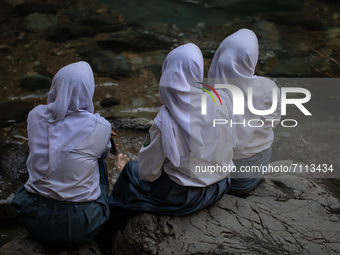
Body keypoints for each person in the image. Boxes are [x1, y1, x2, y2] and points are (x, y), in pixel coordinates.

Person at [99, 43, 234, 244]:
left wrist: (126, 168)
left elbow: (148, 172)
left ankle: (104, 233)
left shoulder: (165, 122)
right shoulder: (220, 99)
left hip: (186, 198)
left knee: (130, 172)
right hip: (221, 185)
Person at [11, 61, 128, 245]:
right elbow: (104, 153)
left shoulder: (35, 115)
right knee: (99, 161)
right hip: (79, 226)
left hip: (31, 216)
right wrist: (102, 136)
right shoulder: (101, 125)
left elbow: (58, 130)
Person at [208, 28, 281, 196]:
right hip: (245, 180)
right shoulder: (269, 87)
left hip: (212, 179)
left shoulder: (206, 95)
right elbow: (274, 122)